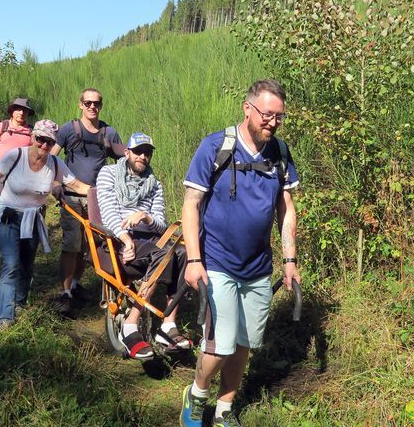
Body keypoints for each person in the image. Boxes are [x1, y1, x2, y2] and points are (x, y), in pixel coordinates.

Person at [179, 79, 301, 427]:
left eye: (279, 117)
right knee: (220, 344)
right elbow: (191, 203)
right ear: (247, 108)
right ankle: (197, 394)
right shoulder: (216, 146)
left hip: (259, 267)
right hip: (217, 261)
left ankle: (224, 409)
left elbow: (286, 206)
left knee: (245, 342)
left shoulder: (279, 152)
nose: (272, 122)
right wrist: (193, 259)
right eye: (267, 114)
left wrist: (290, 259)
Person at [0, 120, 90, 332]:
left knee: (26, 265)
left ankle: (20, 304)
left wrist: (102, 191)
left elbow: (77, 185)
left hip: (33, 220)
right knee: (11, 264)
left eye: (49, 142)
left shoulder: (55, 164)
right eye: (40, 139)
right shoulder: (16, 156)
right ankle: (5, 318)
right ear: (33, 137)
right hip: (9, 217)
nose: (43, 146)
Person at [96, 132, 191, 360]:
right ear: (127, 152)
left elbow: (161, 226)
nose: (142, 156)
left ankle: (167, 326)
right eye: (138, 151)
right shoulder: (108, 174)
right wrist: (125, 239)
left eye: (147, 153)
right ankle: (130, 325)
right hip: (117, 238)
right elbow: (108, 212)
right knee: (166, 253)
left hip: (150, 241)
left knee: (184, 253)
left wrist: (146, 217)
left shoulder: (154, 183)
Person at [50, 88, 123, 317]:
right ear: (80, 104)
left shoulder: (109, 132)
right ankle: (65, 293)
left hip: (98, 198)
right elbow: (52, 156)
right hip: (71, 196)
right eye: (88, 103)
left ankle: (74, 285)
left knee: (87, 246)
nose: (93, 107)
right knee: (71, 243)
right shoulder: (68, 129)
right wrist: (53, 183)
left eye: (97, 103)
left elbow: (124, 162)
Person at [0, 98, 35, 242]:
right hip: (0, 170)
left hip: (22, 172)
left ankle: (13, 231)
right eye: (18, 109)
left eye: (25, 110)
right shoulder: (1, 127)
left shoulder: (31, 131)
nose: (21, 113)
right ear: (12, 111)